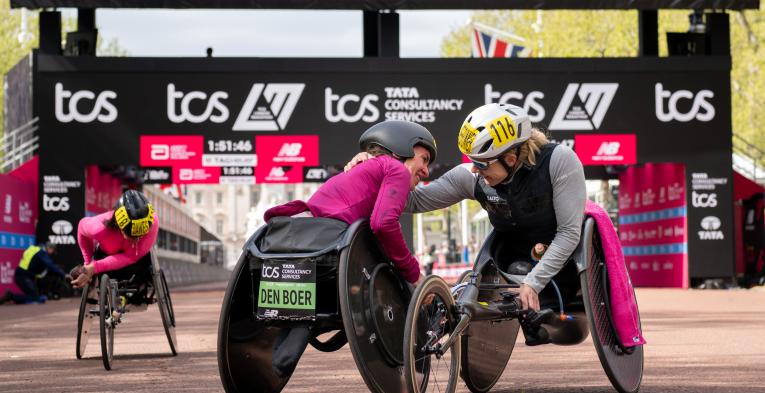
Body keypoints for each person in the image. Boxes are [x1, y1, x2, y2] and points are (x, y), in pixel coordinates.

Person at [347, 103, 586, 312]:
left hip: (565, 268)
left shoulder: (559, 160)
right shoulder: (471, 178)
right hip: (509, 264)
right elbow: (414, 200)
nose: (473, 169)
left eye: (480, 163)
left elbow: (569, 233)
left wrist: (533, 282)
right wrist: (371, 171)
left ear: (510, 160)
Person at [262, 119, 437, 377]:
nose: (426, 171)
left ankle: (295, 332)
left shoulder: (361, 171)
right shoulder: (396, 169)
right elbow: (384, 224)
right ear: (402, 149)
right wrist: (415, 274)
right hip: (328, 246)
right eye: (424, 159)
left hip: (297, 239)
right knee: (406, 282)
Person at [69, 190, 159, 296]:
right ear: (120, 225)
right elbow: (81, 227)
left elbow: (131, 257)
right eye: (131, 235)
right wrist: (87, 265)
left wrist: (93, 267)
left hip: (136, 261)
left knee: (143, 263)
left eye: (140, 235)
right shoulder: (99, 228)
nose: (136, 240)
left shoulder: (153, 223)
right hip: (106, 255)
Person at [0, 243, 66, 304]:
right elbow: (50, 265)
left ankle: (12, 297)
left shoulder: (35, 249)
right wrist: (62, 273)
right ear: (50, 248)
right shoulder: (41, 252)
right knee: (34, 299)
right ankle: (11, 296)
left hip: (22, 274)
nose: (51, 254)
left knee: (35, 297)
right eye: (52, 251)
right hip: (24, 276)